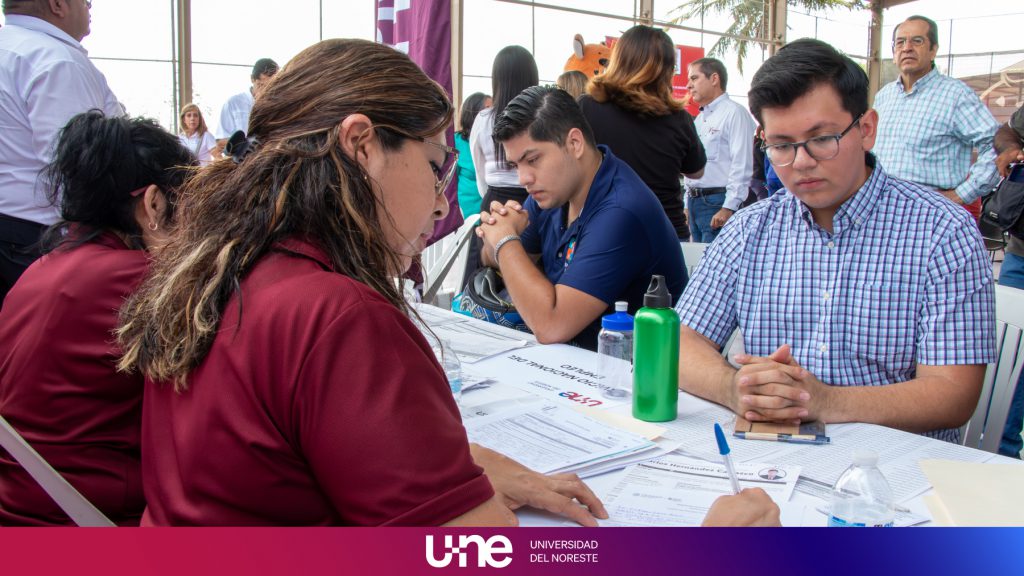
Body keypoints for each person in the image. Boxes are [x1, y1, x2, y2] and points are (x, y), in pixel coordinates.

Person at [116, 39, 606, 527]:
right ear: (361, 145)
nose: (441, 205)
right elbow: (479, 546)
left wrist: (460, 465)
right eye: (433, 167)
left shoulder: (216, 272)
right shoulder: (341, 315)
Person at [674, 39, 995, 443]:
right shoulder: (749, 230)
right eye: (781, 145)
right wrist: (732, 388)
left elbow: (952, 393)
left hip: (894, 464)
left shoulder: (941, 232)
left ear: (866, 129)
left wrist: (825, 401)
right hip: (772, 458)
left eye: (823, 138)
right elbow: (682, 342)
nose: (802, 161)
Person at [0, 111, 194, 526]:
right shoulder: (142, 279)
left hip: (17, 509)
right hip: (88, 524)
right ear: (154, 203)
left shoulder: (40, 270)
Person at [477, 85, 687, 350]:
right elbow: (498, 259)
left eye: (532, 160)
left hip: (635, 367)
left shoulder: (621, 210)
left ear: (574, 144)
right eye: (516, 165)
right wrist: (500, 234)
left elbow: (551, 325)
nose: (523, 179)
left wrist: (505, 240)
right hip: (574, 358)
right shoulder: (554, 191)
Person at [0, 0, 123, 303]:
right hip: (33, 240)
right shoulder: (54, 60)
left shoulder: (11, 50)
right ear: (58, 4)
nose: (89, 6)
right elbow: (78, 170)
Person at [580, 25, 706, 241]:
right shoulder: (679, 118)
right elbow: (696, 172)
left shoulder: (587, 107)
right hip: (665, 233)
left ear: (618, 59)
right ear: (666, 69)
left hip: (604, 232)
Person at [872, 15, 1000, 220]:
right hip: (881, 212)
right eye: (900, 42)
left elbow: (996, 145)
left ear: (933, 50)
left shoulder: (956, 95)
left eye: (917, 41)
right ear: (894, 52)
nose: (907, 48)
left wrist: (961, 195)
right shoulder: (884, 96)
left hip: (930, 216)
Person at [463, 45, 538, 282]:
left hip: (495, 203)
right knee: (533, 270)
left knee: (490, 274)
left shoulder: (484, 118)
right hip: (535, 200)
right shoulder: (541, 117)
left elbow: (480, 170)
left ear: (497, 79)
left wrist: (490, 198)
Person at [683, 57, 755, 243]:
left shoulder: (734, 113)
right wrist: (686, 204)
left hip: (717, 202)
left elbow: (742, 163)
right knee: (697, 258)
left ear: (714, 79)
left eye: (694, 78)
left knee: (715, 258)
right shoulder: (700, 119)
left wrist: (729, 206)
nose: (689, 85)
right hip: (694, 202)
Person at [992, 106, 1024, 458]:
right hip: (1021, 254)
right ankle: (1002, 452)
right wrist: (1010, 148)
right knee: (1009, 359)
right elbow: (1008, 130)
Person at [214, 57, 279, 150]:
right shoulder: (233, 103)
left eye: (270, 87)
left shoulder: (278, 105)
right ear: (252, 79)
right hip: (241, 158)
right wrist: (244, 145)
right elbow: (220, 141)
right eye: (261, 85)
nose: (264, 91)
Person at [454, 92, 491, 218]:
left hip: (492, 214)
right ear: (473, 114)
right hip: (466, 216)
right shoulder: (456, 142)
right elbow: (449, 185)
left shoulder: (497, 143)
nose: (493, 115)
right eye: (487, 110)